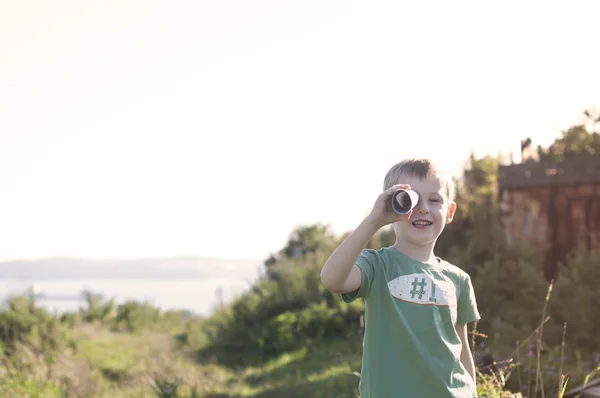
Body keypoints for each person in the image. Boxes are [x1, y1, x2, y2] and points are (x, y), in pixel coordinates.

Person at [320, 158, 480, 397]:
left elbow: (461, 348)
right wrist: (374, 220)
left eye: (434, 200)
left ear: (449, 212)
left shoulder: (458, 279)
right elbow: (332, 279)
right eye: (410, 200)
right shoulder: (377, 266)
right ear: (392, 207)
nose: (423, 208)